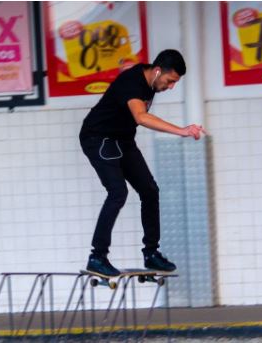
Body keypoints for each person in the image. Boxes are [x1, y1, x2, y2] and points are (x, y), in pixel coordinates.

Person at [79, 49, 207, 276]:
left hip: (122, 139)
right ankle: (97, 257)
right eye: (170, 81)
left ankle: (151, 254)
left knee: (149, 190)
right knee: (118, 192)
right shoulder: (132, 81)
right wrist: (182, 131)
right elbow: (141, 117)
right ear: (158, 71)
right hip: (98, 137)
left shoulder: (149, 81)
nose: (170, 87)